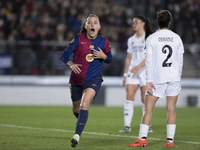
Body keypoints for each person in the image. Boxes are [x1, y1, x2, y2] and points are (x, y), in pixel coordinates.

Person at [127, 10, 184, 147]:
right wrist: (178, 76)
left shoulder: (151, 38)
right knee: (171, 109)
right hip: (174, 77)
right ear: (169, 22)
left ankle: (142, 139)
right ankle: (170, 141)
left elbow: (149, 61)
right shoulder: (177, 38)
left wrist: (148, 80)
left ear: (157, 22)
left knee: (148, 109)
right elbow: (180, 61)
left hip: (157, 78)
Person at [60, 14, 112, 148]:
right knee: (77, 109)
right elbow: (64, 55)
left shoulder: (104, 41)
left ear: (99, 27)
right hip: (76, 80)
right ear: (85, 26)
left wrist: (104, 56)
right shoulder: (78, 39)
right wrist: (71, 64)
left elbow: (110, 58)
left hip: (93, 79)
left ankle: (76, 136)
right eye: (90, 23)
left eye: (95, 23)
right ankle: (81, 121)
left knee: (84, 104)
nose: (93, 25)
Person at [118, 15, 153, 133]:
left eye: (137, 22)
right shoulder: (131, 39)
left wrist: (138, 66)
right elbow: (128, 58)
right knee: (129, 97)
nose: (134, 24)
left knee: (145, 99)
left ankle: (147, 125)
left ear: (143, 23)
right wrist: (124, 74)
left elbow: (149, 56)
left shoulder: (148, 38)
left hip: (144, 72)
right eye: (133, 22)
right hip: (132, 72)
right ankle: (127, 126)